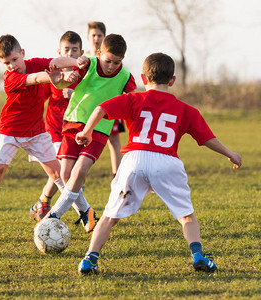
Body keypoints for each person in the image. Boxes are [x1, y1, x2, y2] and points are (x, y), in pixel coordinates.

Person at [76, 52, 242, 275]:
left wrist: (87, 131)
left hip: (134, 159)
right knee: (186, 216)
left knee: (109, 215)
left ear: (143, 78)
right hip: (167, 161)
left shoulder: (133, 99)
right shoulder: (186, 110)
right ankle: (198, 256)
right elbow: (206, 139)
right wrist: (229, 153)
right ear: (172, 80)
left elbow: (100, 109)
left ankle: (89, 259)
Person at [46, 34, 136, 233]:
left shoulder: (126, 78)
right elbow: (58, 69)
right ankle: (86, 211)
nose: (111, 66)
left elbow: (132, 102)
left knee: (81, 170)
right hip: (73, 122)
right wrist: (58, 80)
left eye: (116, 62)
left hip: (99, 131)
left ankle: (53, 215)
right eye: (107, 61)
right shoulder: (88, 64)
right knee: (65, 173)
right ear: (98, 53)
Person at [0, 34, 79, 221]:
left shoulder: (35, 62)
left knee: (59, 174)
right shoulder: (11, 78)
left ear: (22, 53)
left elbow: (56, 61)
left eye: (14, 59)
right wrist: (59, 77)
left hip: (37, 133)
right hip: (9, 131)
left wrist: (79, 62)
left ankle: (85, 213)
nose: (12, 65)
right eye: (6, 63)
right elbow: (37, 79)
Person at [28, 31, 84, 222]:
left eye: (74, 50)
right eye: (66, 50)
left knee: (68, 172)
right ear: (58, 52)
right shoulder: (54, 74)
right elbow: (39, 98)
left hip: (76, 130)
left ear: (81, 52)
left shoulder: (84, 75)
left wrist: (76, 95)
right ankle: (82, 211)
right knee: (62, 171)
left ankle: (43, 201)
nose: (69, 54)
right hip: (54, 130)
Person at [85, 21, 124, 177]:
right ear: (88, 37)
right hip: (88, 108)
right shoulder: (84, 58)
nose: (96, 38)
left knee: (114, 141)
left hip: (109, 107)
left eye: (99, 35)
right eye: (93, 35)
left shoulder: (113, 59)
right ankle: (78, 179)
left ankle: (117, 176)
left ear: (104, 37)